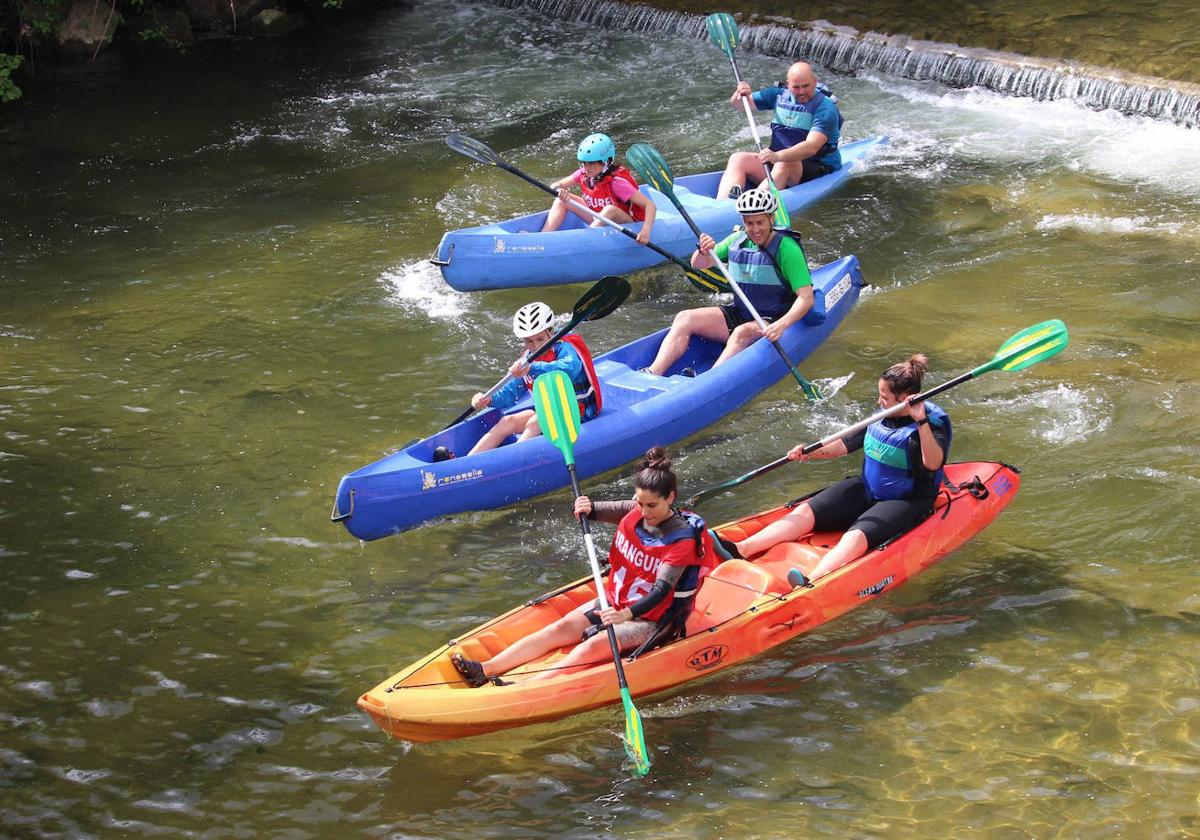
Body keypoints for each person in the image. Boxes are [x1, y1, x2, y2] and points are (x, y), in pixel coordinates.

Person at [450, 447, 718, 687]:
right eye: (639, 502)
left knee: (593, 645)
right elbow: (594, 511)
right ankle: (484, 670)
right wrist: (584, 507)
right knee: (560, 628)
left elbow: (661, 590)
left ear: (670, 497)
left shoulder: (680, 540)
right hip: (612, 602)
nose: (644, 511)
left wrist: (626, 614)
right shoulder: (634, 511)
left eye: (652, 505)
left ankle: (526, 688)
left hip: (651, 619)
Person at [731, 355, 951, 582]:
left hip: (908, 499)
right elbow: (841, 446)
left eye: (884, 397)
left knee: (855, 536)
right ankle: (741, 548)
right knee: (806, 511)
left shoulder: (931, 424)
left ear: (904, 399)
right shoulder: (881, 417)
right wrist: (808, 453)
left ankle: (811, 581)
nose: (878, 402)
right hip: (867, 489)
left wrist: (921, 421)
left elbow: (934, 463)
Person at [643, 188, 814, 376]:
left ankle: (708, 380)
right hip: (742, 312)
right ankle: (652, 373)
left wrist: (781, 325)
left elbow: (806, 298)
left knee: (742, 332)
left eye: (760, 222)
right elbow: (699, 264)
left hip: (774, 317)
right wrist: (703, 250)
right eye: (750, 223)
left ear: (771, 219)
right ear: (743, 221)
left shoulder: (787, 249)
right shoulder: (737, 240)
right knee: (685, 317)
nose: (755, 229)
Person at [435, 302, 602, 460]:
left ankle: (512, 460)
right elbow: (511, 393)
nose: (535, 346)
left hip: (578, 413)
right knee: (507, 422)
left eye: (540, 339)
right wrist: (488, 399)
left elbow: (570, 368)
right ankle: (466, 464)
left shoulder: (565, 347)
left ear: (552, 332)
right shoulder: (527, 359)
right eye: (529, 341)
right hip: (551, 413)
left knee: (536, 420)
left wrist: (532, 368)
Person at [715, 61, 843, 200]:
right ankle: (723, 205)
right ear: (788, 85)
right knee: (738, 159)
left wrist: (778, 157)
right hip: (779, 161)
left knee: (785, 163)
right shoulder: (777, 95)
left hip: (817, 166)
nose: (801, 92)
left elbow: (811, 147)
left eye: (806, 86)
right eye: (796, 87)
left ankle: (756, 206)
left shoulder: (825, 108)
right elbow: (739, 105)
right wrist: (740, 94)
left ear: (815, 81)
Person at [540, 132, 657, 244]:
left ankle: (584, 240)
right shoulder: (585, 173)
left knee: (609, 209)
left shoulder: (617, 183)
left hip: (625, 223)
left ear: (606, 162)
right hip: (599, 218)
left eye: (591, 163)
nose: (587, 168)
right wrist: (558, 190)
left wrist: (645, 231)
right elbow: (556, 184)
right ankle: (542, 239)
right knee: (561, 200)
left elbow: (650, 206)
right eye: (584, 163)